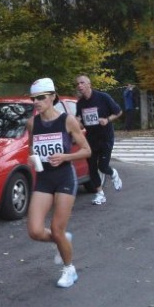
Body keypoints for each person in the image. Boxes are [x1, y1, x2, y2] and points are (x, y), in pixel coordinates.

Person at [26, 78, 91, 288]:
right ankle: (62, 240)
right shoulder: (32, 123)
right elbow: (32, 150)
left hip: (64, 176)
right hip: (44, 178)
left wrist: (64, 157)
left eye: (41, 98)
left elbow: (86, 150)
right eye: (33, 98)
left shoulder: (67, 120)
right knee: (35, 231)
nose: (37, 102)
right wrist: (31, 158)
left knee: (56, 228)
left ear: (52, 96)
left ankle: (69, 269)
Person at [75, 75, 123, 205]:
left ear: (89, 84)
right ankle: (100, 194)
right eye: (78, 84)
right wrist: (78, 123)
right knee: (91, 168)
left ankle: (113, 173)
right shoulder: (80, 104)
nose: (79, 85)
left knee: (102, 166)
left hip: (105, 137)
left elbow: (118, 112)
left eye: (82, 83)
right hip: (91, 138)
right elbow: (81, 124)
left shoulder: (103, 97)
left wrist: (107, 120)